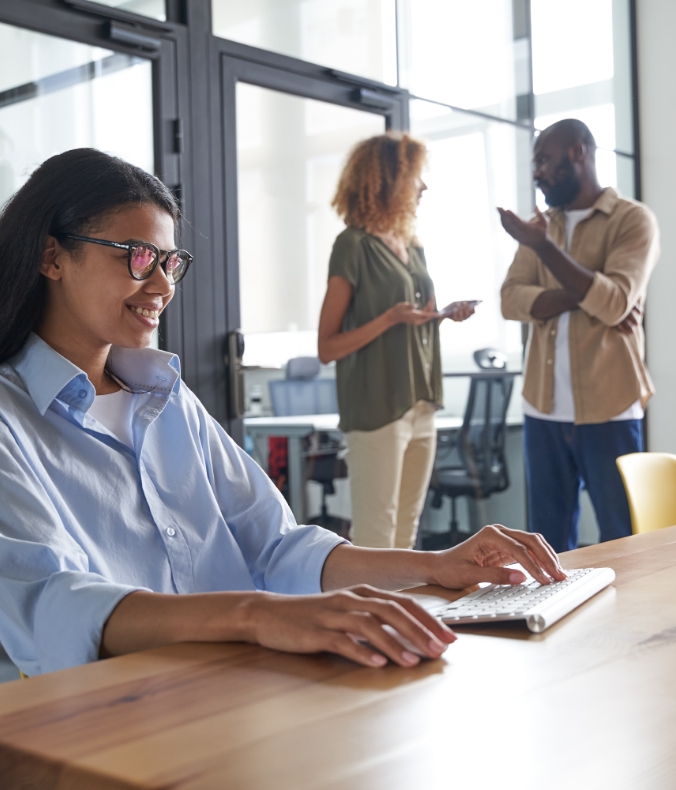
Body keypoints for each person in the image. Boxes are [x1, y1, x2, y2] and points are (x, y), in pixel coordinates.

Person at [0, 148, 565, 677]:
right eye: (138, 257)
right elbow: (50, 602)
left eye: (172, 262)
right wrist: (257, 615)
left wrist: (432, 565)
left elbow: (275, 545)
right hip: (110, 714)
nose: (163, 284)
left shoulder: (165, 396)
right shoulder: (11, 416)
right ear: (53, 255)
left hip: (236, 685)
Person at [499, 119, 660, 552]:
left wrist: (546, 251)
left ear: (577, 153)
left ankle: (631, 624)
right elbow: (510, 301)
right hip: (543, 408)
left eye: (544, 161)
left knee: (623, 539)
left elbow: (614, 303)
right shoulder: (541, 225)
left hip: (611, 407)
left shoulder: (633, 220)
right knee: (547, 545)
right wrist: (585, 291)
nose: (536, 173)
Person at [318, 133, 475, 549]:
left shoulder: (413, 246)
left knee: (407, 531)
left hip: (420, 400)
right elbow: (327, 347)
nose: (423, 187)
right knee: (376, 533)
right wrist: (389, 319)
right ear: (386, 181)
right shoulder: (351, 246)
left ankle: (403, 614)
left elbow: (420, 319)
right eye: (415, 178)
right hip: (376, 405)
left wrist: (444, 315)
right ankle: (368, 616)